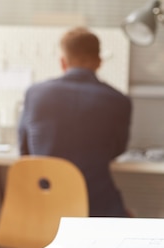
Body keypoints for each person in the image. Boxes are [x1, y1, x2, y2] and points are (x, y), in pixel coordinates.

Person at [18, 26, 132, 217]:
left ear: (63, 62)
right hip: (95, 208)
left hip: (43, 207)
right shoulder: (118, 100)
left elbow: (24, 150)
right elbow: (118, 150)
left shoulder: (35, 93)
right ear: (99, 62)